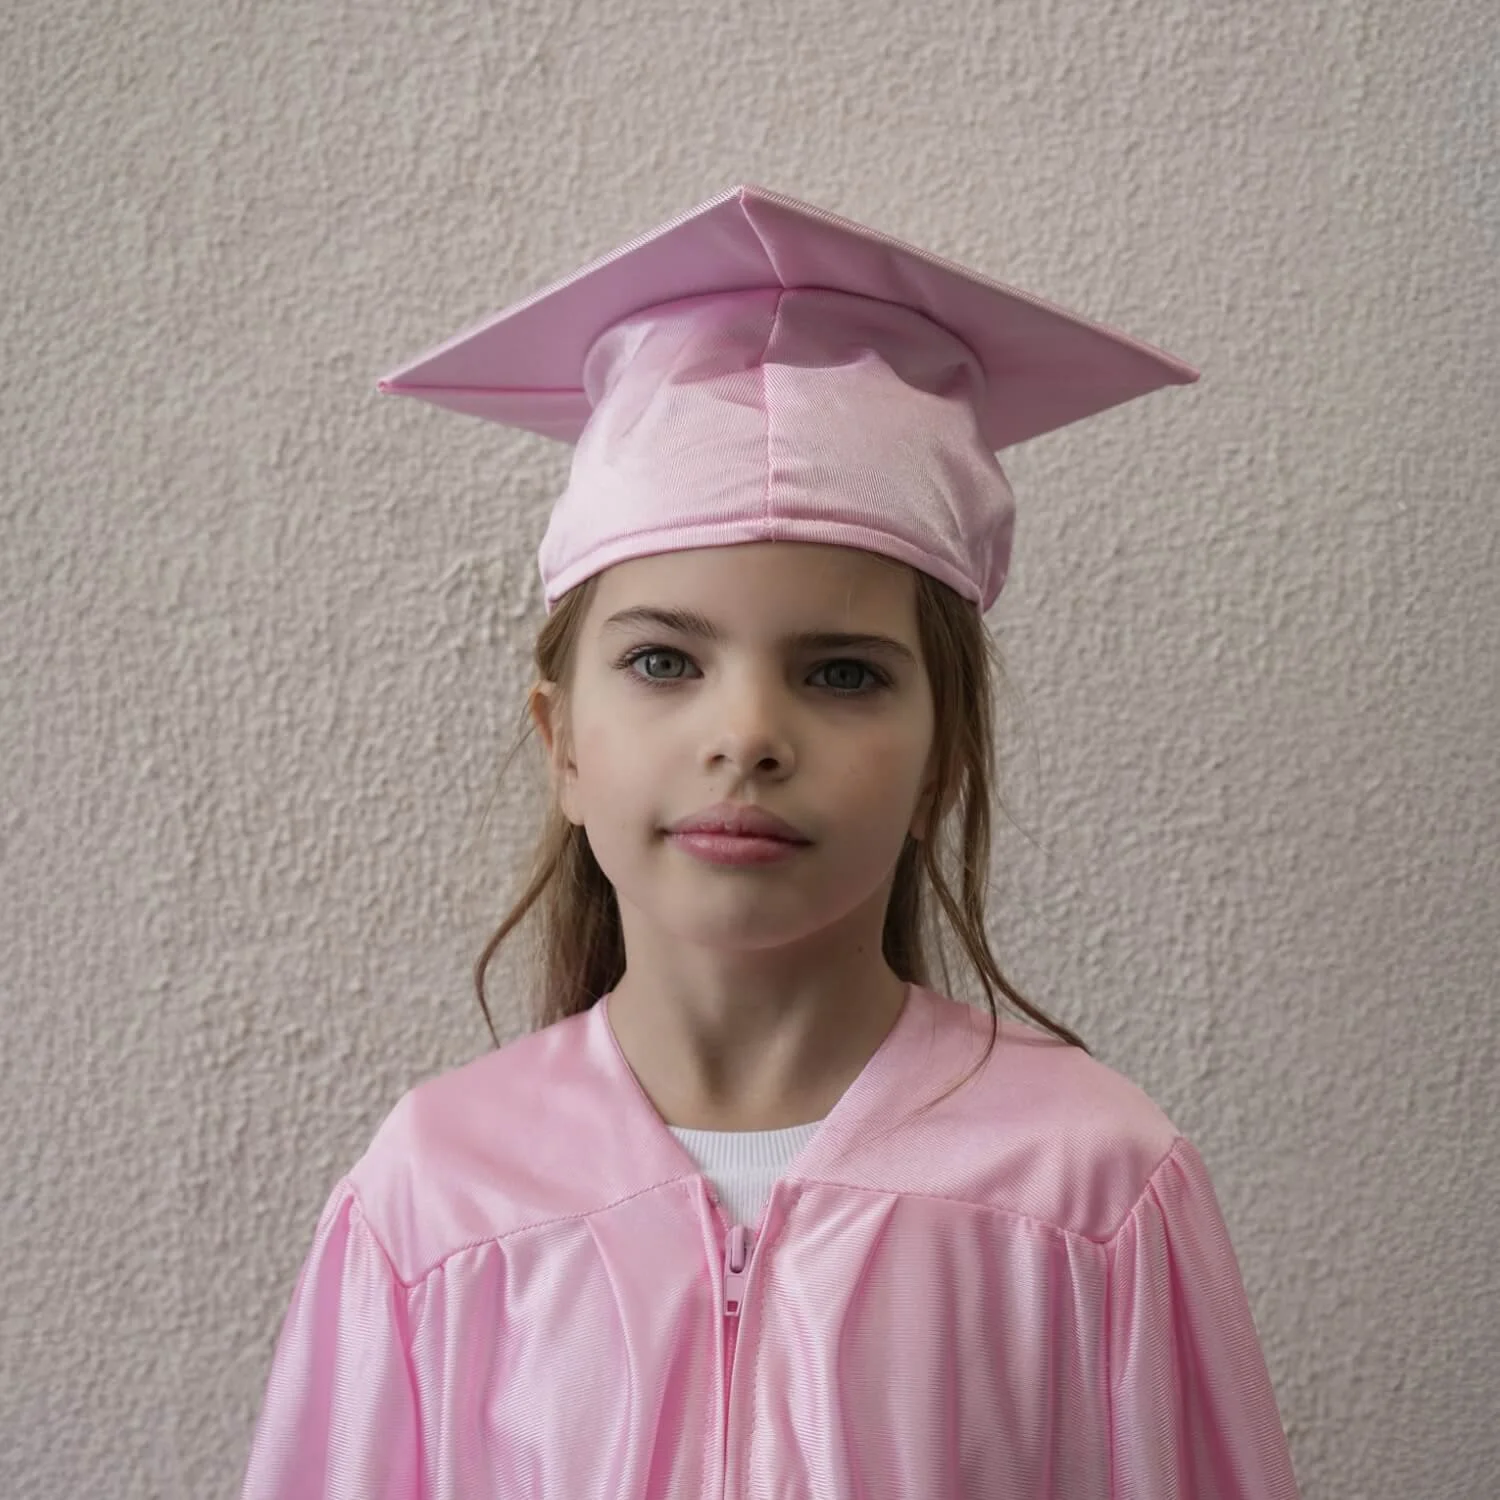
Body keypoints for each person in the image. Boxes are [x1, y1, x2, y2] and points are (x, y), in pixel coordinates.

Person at [240, 184, 1301, 1498]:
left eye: (843, 673)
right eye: (664, 659)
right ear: (563, 742)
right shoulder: (440, 1194)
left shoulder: (1088, 1186)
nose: (746, 733)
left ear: (944, 758)